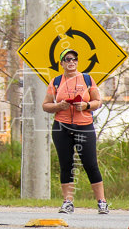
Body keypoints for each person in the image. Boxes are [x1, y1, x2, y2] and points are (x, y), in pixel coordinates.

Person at [41, 45, 108, 215]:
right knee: (66, 165)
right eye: (67, 59)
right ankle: (68, 202)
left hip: (84, 126)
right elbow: (45, 105)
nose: (71, 62)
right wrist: (58, 106)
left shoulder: (87, 79)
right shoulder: (56, 81)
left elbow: (98, 101)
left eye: (74, 59)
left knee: (90, 164)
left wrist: (86, 105)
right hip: (62, 127)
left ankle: (102, 202)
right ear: (62, 63)